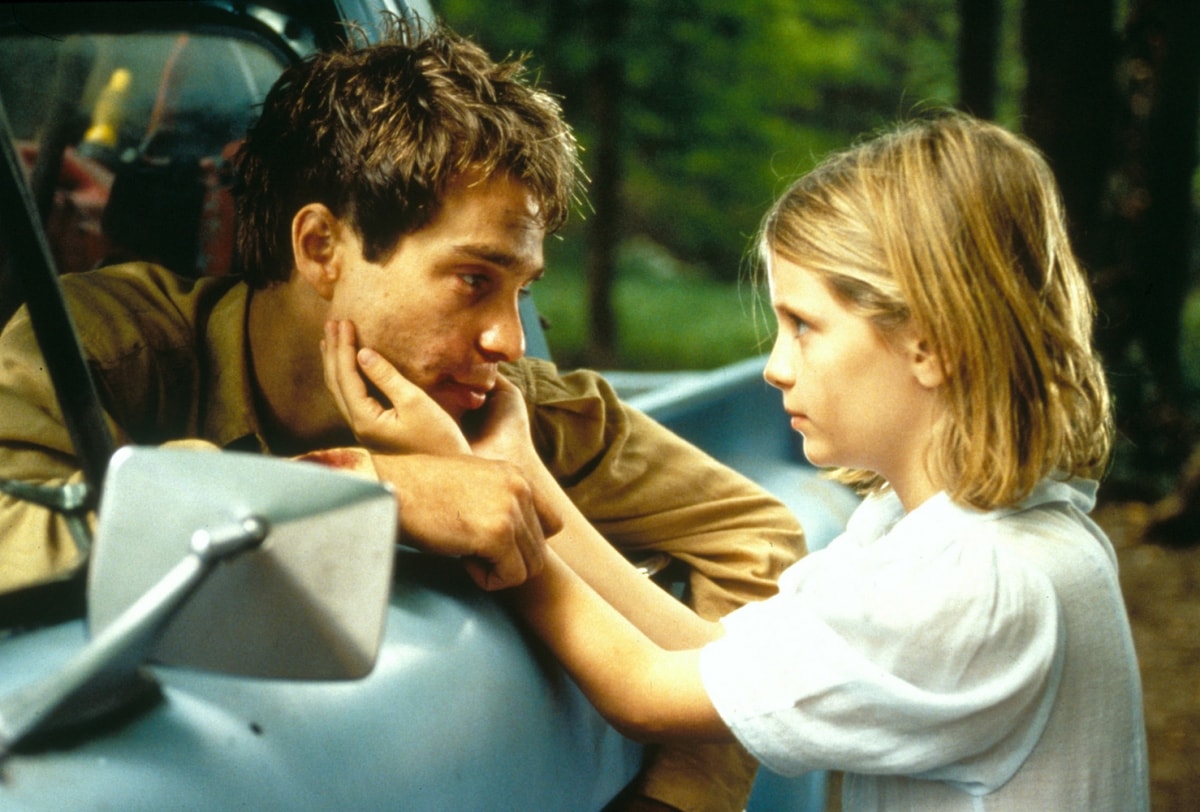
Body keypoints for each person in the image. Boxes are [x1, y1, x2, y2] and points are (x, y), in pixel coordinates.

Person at [0, 18, 805, 812]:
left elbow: (754, 539)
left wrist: (680, 797)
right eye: (473, 280)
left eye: (521, 290)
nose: (507, 340)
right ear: (321, 248)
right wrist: (370, 490)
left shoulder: (510, 411)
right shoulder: (103, 354)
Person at [326, 113, 1150, 810]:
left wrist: (492, 511)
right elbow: (705, 654)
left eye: (804, 326)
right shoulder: (951, 535)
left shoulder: (980, 585)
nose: (776, 367)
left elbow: (649, 691)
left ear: (928, 342)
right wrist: (528, 476)